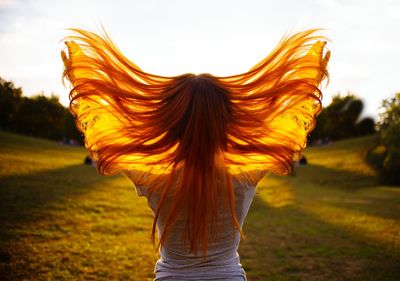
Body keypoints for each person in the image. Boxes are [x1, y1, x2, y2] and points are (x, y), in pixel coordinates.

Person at [61, 27, 330, 281]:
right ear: (229, 119)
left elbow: (105, 123)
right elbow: (289, 116)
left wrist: (82, 76)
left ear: (169, 121)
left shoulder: (152, 177)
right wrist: (309, 72)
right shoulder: (246, 174)